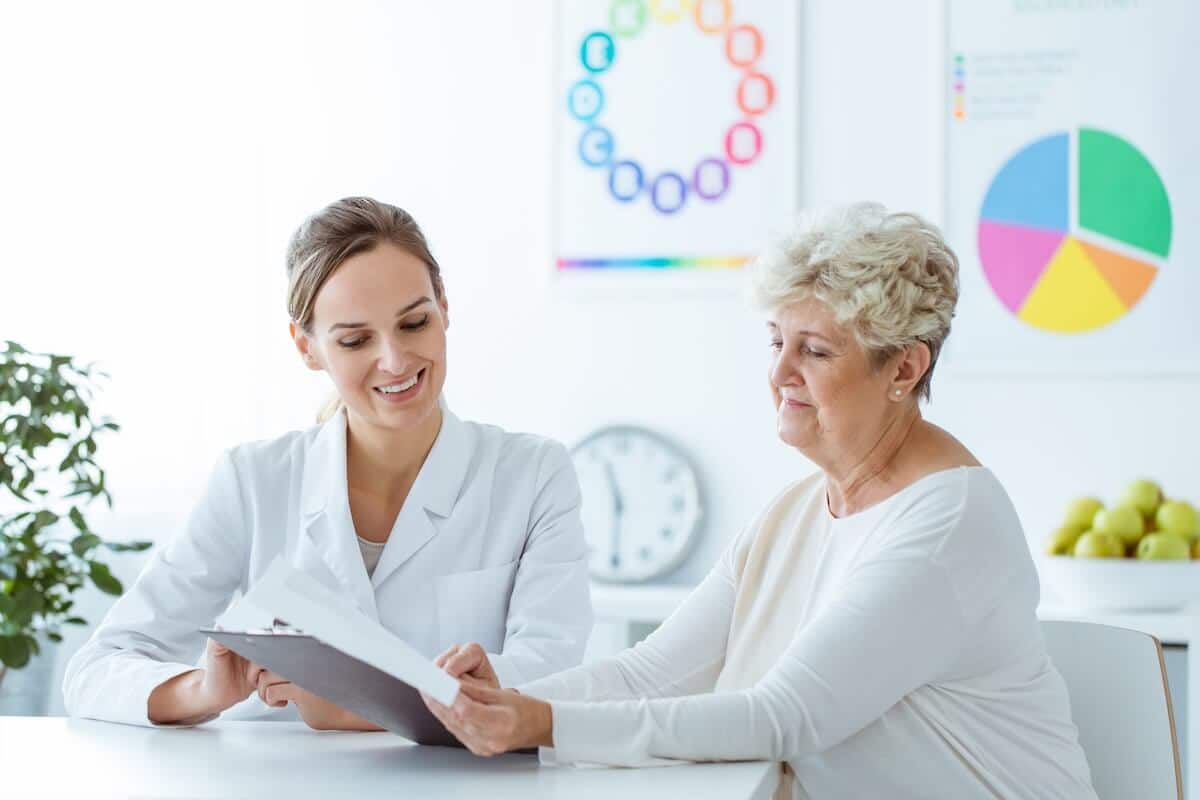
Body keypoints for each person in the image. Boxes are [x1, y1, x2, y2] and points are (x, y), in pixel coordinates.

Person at [421, 204, 1098, 799]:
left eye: (815, 351)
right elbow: (652, 673)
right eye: (777, 342)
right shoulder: (799, 510)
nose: (779, 374)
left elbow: (784, 716)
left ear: (905, 368)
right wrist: (503, 701)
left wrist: (539, 724)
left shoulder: (948, 522)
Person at [63, 197, 593, 729]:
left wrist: (348, 706)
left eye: (413, 323)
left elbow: (555, 680)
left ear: (444, 307)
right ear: (306, 346)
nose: (395, 360)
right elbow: (95, 671)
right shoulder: (253, 481)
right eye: (356, 339)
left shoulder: (532, 475)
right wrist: (203, 690)